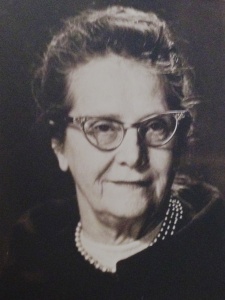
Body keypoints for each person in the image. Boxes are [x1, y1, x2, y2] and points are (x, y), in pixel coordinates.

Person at [1, 5, 225, 300]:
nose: (133, 156)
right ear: (59, 145)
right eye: (104, 127)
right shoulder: (26, 266)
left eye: (155, 126)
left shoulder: (214, 256)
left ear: (181, 140)